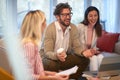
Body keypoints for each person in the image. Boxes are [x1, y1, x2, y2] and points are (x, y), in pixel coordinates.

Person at [40, 3, 95, 80]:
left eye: (69, 14)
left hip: (64, 58)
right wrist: (57, 56)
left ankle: (70, 78)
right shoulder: (50, 29)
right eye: (64, 15)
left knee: (85, 60)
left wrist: (83, 52)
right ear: (57, 17)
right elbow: (47, 52)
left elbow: (77, 47)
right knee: (52, 65)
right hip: (49, 58)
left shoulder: (73, 28)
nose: (68, 17)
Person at [20, 10, 69, 80]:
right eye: (44, 22)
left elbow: (36, 71)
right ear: (37, 25)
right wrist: (52, 78)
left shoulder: (33, 44)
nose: (46, 25)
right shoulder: (29, 46)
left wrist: (51, 74)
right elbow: (27, 77)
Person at [77, 6, 104, 72]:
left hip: (90, 52)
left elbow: (94, 45)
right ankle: (93, 77)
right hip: (81, 52)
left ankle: (100, 76)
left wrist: (94, 50)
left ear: (98, 16)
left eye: (95, 15)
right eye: (90, 16)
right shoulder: (80, 26)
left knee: (101, 57)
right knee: (94, 58)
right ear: (86, 16)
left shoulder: (98, 27)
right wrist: (88, 51)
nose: (93, 18)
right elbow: (76, 44)